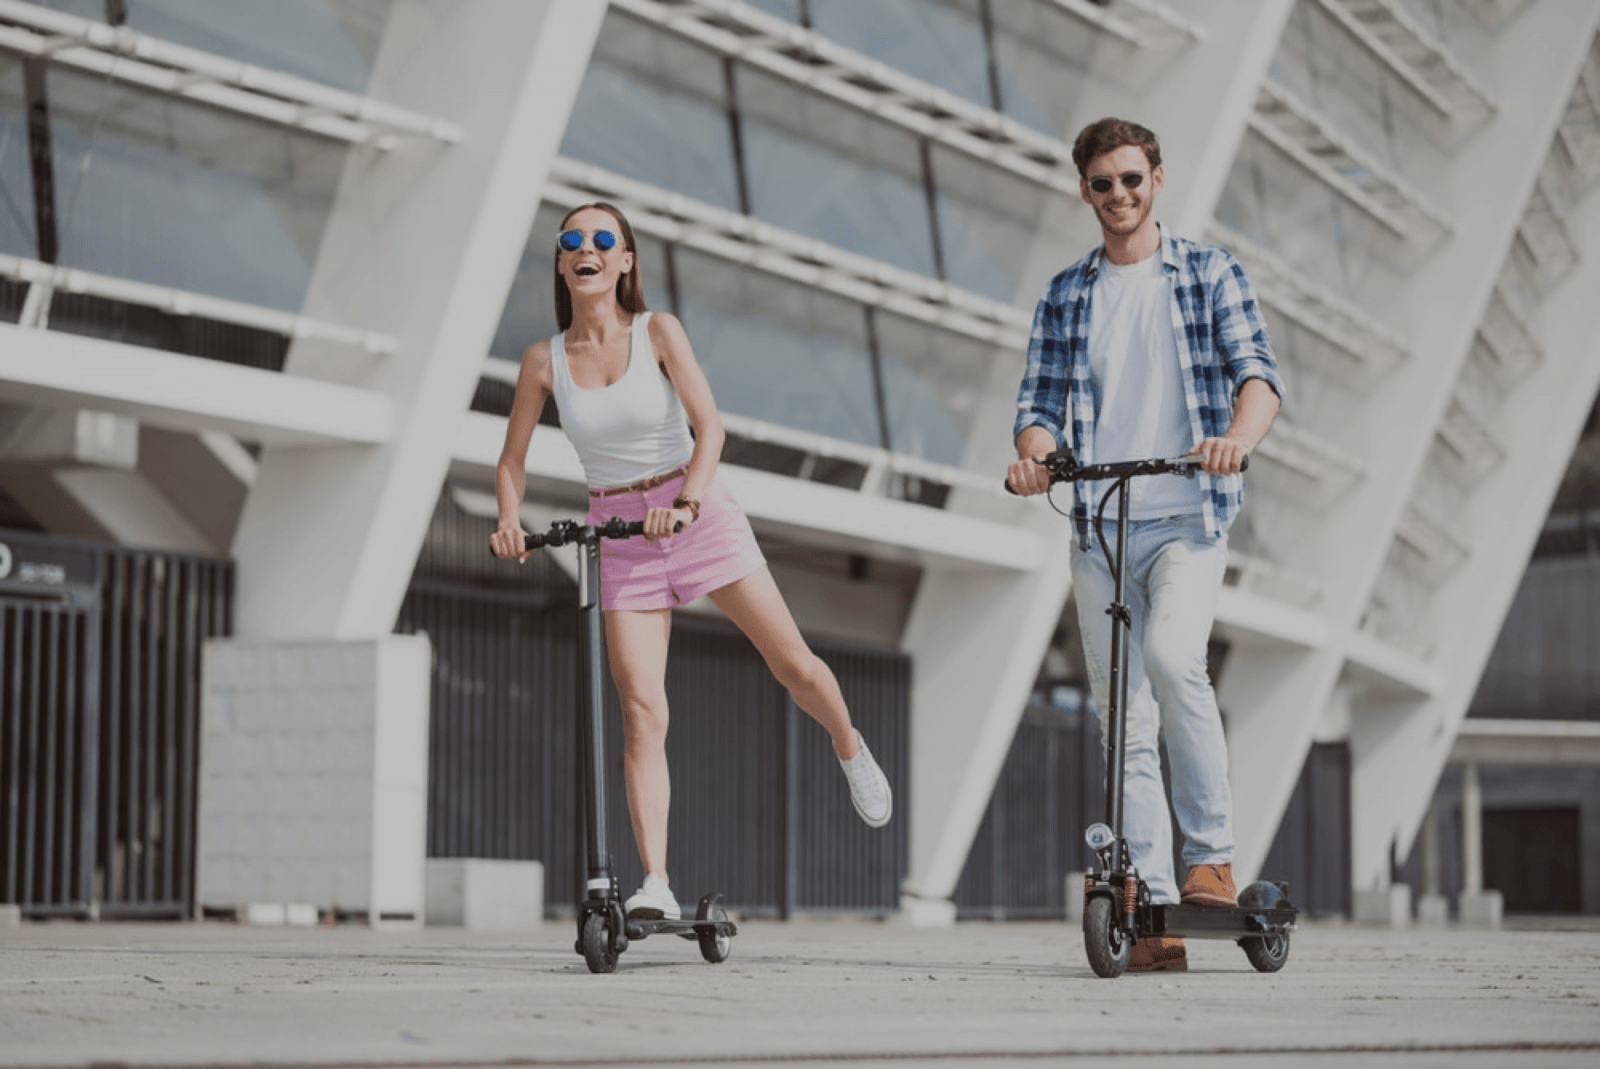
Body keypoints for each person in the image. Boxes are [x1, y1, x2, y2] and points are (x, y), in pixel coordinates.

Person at [490, 202, 892, 921]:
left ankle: (848, 742)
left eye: (602, 239)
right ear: (560, 263)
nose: (587, 248)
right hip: (616, 531)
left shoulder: (659, 331)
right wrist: (505, 520)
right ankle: (656, 881)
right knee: (642, 711)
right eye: (572, 240)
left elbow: (711, 428)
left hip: (693, 508)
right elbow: (511, 462)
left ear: (625, 261)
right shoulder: (541, 362)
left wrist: (688, 502)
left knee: (793, 663)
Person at [1006, 118, 1284, 973]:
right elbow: (1039, 408)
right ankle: (1150, 899)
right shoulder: (1065, 293)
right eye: (1102, 184)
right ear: (1084, 191)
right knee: (1121, 720)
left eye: (1132, 179)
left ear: (1157, 179)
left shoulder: (1208, 272)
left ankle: (1211, 860)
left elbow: (1258, 377)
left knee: (1172, 658)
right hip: (1099, 522)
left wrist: (1237, 437)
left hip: (1187, 518)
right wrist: (1034, 459)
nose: (1119, 196)